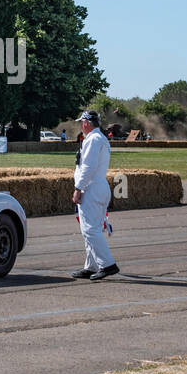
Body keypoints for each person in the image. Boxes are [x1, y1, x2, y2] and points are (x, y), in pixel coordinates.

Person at [71, 109, 118, 281]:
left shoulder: (93, 140)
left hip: (91, 188)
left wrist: (78, 188)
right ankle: (91, 265)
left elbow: (88, 168)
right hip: (98, 187)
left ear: (85, 123)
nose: (81, 126)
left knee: (90, 230)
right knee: (92, 229)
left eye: (81, 123)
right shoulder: (100, 139)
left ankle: (107, 264)